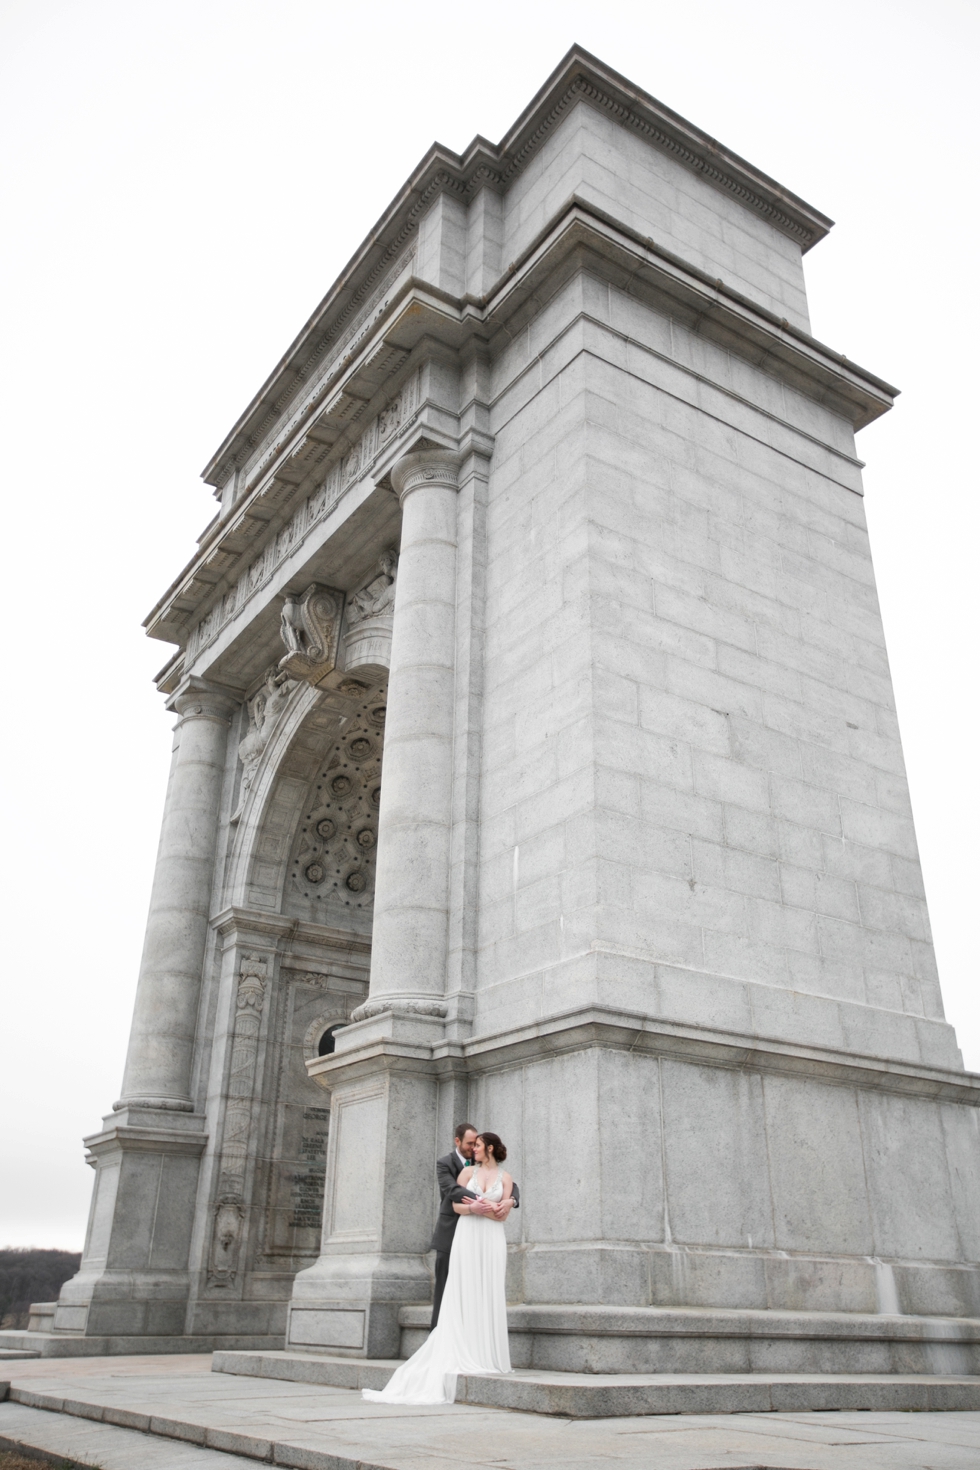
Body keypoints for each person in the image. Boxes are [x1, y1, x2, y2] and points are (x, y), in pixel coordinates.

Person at [363, 1131, 514, 1405]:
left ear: (489, 1148)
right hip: (467, 1235)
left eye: (478, 1145)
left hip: (492, 1240)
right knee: (464, 1289)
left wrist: (501, 1204)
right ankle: (462, 1348)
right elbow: (455, 1204)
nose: (473, 1150)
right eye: (472, 1144)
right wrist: (476, 1210)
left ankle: (486, 1353)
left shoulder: (506, 1178)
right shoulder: (466, 1174)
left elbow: (504, 1215)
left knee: (487, 1290)